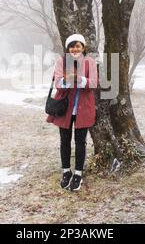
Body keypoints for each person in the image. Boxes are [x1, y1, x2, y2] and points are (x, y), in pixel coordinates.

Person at [46, 33, 97, 191]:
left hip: (84, 108)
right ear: (67, 48)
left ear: (83, 47)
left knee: (81, 142)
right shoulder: (62, 61)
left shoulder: (90, 62)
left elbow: (93, 83)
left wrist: (78, 79)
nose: (75, 49)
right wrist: (70, 79)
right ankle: (66, 171)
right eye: (72, 46)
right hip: (65, 108)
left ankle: (78, 174)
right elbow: (59, 84)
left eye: (78, 46)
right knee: (64, 141)